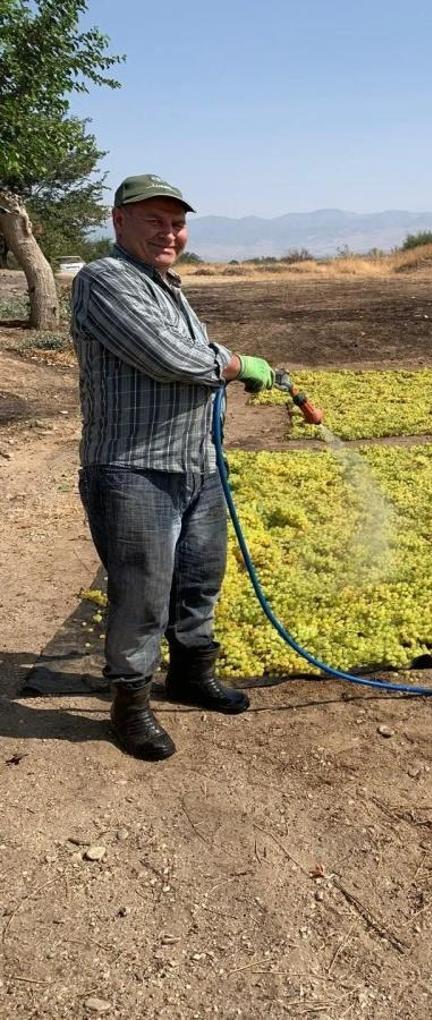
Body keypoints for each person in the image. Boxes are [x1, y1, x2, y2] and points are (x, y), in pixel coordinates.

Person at [71, 173, 276, 762]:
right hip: (133, 468)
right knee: (141, 595)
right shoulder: (104, 279)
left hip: (197, 463)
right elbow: (173, 359)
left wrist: (227, 367)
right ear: (119, 221)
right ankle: (130, 706)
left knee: (199, 578)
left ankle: (191, 673)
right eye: (154, 220)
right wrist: (239, 363)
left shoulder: (166, 285)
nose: (170, 233)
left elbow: (191, 358)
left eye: (177, 222)